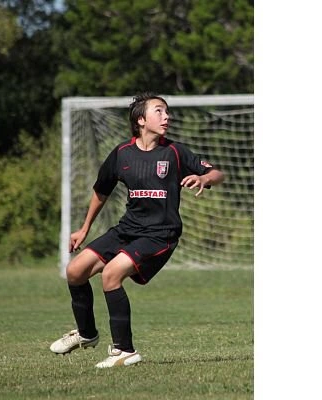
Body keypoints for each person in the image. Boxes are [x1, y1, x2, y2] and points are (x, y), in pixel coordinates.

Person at [50, 92, 224, 368]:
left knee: (111, 274)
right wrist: (84, 229)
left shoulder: (176, 151)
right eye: (159, 111)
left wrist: (204, 177)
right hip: (127, 229)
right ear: (141, 120)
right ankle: (86, 334)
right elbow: (101, 192)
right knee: (75, 271)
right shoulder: (122, 154)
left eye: (167, 112)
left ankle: (125, 351)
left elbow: (217, 173)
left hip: (160, 233)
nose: (166, 116)